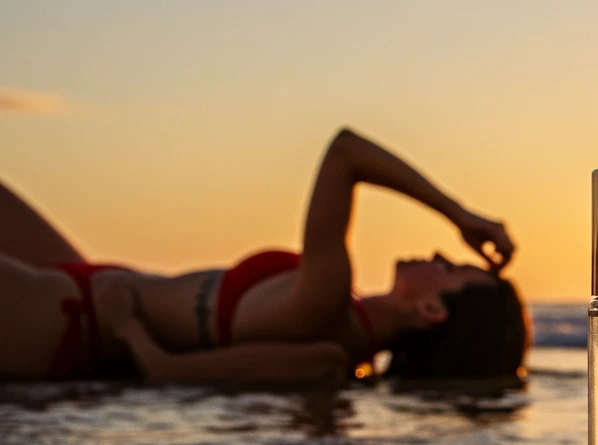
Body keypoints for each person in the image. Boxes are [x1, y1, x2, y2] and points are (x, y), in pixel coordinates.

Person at [0, 128, 527, 383]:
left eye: (454, 269)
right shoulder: (336, 343)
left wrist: (460, 214)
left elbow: (345, 152)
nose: (442, 253)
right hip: (89, 287)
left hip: (71, 317)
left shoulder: (325, 308)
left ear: (431, 312)